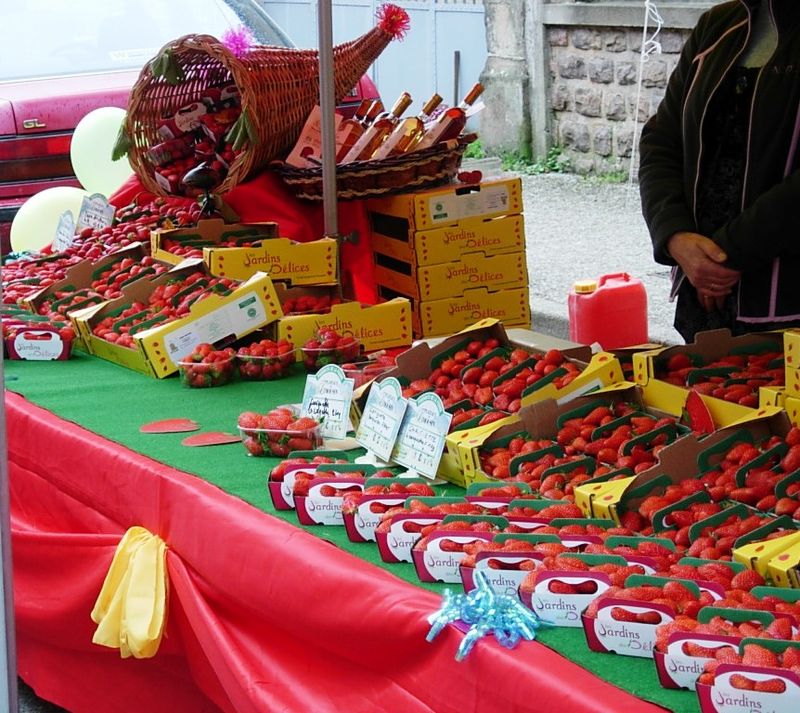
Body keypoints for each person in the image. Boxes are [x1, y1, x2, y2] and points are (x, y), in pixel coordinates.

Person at [639, 0, 800, 343]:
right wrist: (674, 235)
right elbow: (662, 139)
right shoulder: (717, 25)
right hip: (705, 298)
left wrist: (729, 253)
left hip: (787, 298)